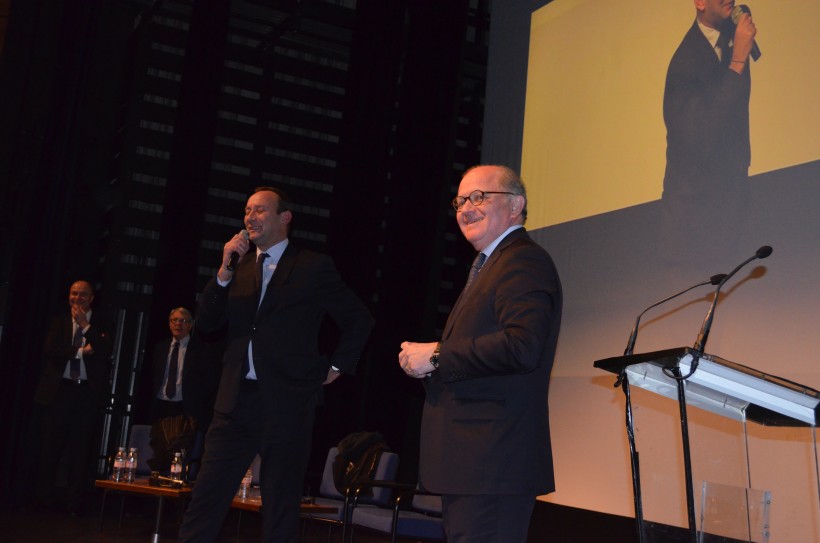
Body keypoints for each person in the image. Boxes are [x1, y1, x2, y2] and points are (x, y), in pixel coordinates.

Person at [177, 186, 374, 543]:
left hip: (287, 402)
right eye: (247, 211)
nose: (250, 218)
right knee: (206, 497)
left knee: (280, 506)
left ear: (285, 218)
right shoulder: (238, 266)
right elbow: (206, 324)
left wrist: (336, 367)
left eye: (260, 211)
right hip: (233, 403)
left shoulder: (313, 266)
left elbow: (358, 318)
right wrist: (223, 272)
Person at [398, 165, 563, 543]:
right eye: (460, 201)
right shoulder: (491, 264)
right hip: (476, 466)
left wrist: (438, 356)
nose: (466, 209)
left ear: (516, 205)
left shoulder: (523, 260)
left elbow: (522, 346)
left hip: (494, 464)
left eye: (479, 197)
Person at [33, 280, 114, 515]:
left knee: (80, 452)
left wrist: (85, 326)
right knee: (50, 448)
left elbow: (105, 348)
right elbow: (50, 348)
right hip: (58, 393)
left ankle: (74, 503)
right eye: (73, 293)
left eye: (82, 294)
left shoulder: (102, 322)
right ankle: (42, 499)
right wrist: (80, 351)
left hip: (86, 394)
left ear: (91, 299)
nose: (77, 298)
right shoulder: (58, 320)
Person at [662, 0, 758, 198]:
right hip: (696, 205)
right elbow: (704, 134)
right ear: (700, 2)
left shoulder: (734, 34)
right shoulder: (683, 64)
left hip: (736, 189)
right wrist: (738, 61)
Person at [149, 307, 219, 431]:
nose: (178, 324)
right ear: (169, 324)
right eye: (174, 320)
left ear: (190, 325)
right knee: (159, 445)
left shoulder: (200, 350)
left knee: (182, 446)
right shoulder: (161, 347)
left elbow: (208, 382)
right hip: (161, 404)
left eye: (183, 321)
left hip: (185, 407)